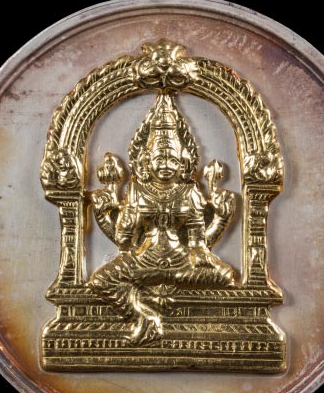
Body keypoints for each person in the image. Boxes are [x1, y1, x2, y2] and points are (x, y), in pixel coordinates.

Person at [89, 91, 235, 344]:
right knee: (100, 280)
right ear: (145, 161)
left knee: (226, 277)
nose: (166, 164)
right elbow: (123, 240)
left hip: (181, 264)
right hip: (144, 262)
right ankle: (144, 316)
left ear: (184, 162)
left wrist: (221, 219)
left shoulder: (189, 191)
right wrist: (103, 214)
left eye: (172, 159)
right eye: (159, 158)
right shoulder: (137, 191)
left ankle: (152, 296)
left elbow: (200, 244)